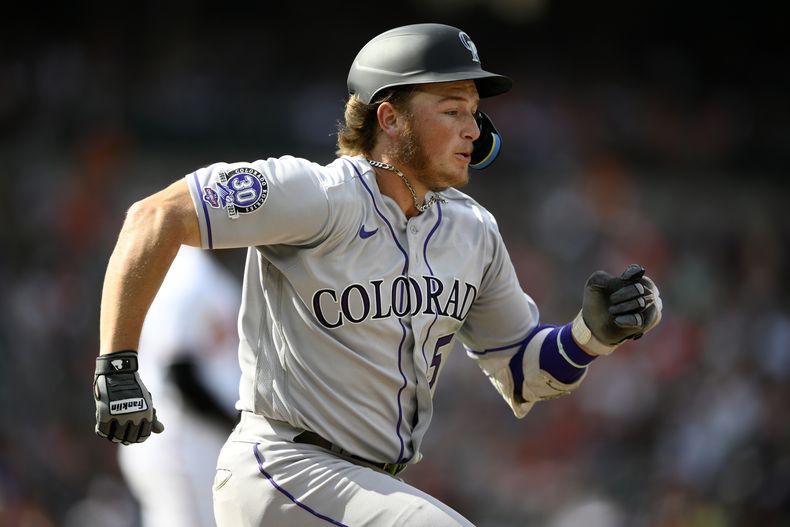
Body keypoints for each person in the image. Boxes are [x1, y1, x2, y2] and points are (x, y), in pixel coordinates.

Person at [93, 23, 662, 527]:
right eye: (452, 109)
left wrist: (591, 335)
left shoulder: (473, 232)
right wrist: (118, 366)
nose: (473, 129)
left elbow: (521, 370)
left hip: (373, 486)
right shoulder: (318, 197)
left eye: (475, 113)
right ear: (389, 117)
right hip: (286, 471)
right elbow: (156, 216)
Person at [114, 246, 241, 527]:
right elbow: (178, 375)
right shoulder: (184, 276)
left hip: (196, 437)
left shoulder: (208, 275)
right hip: (179, 438)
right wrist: (237, 424)